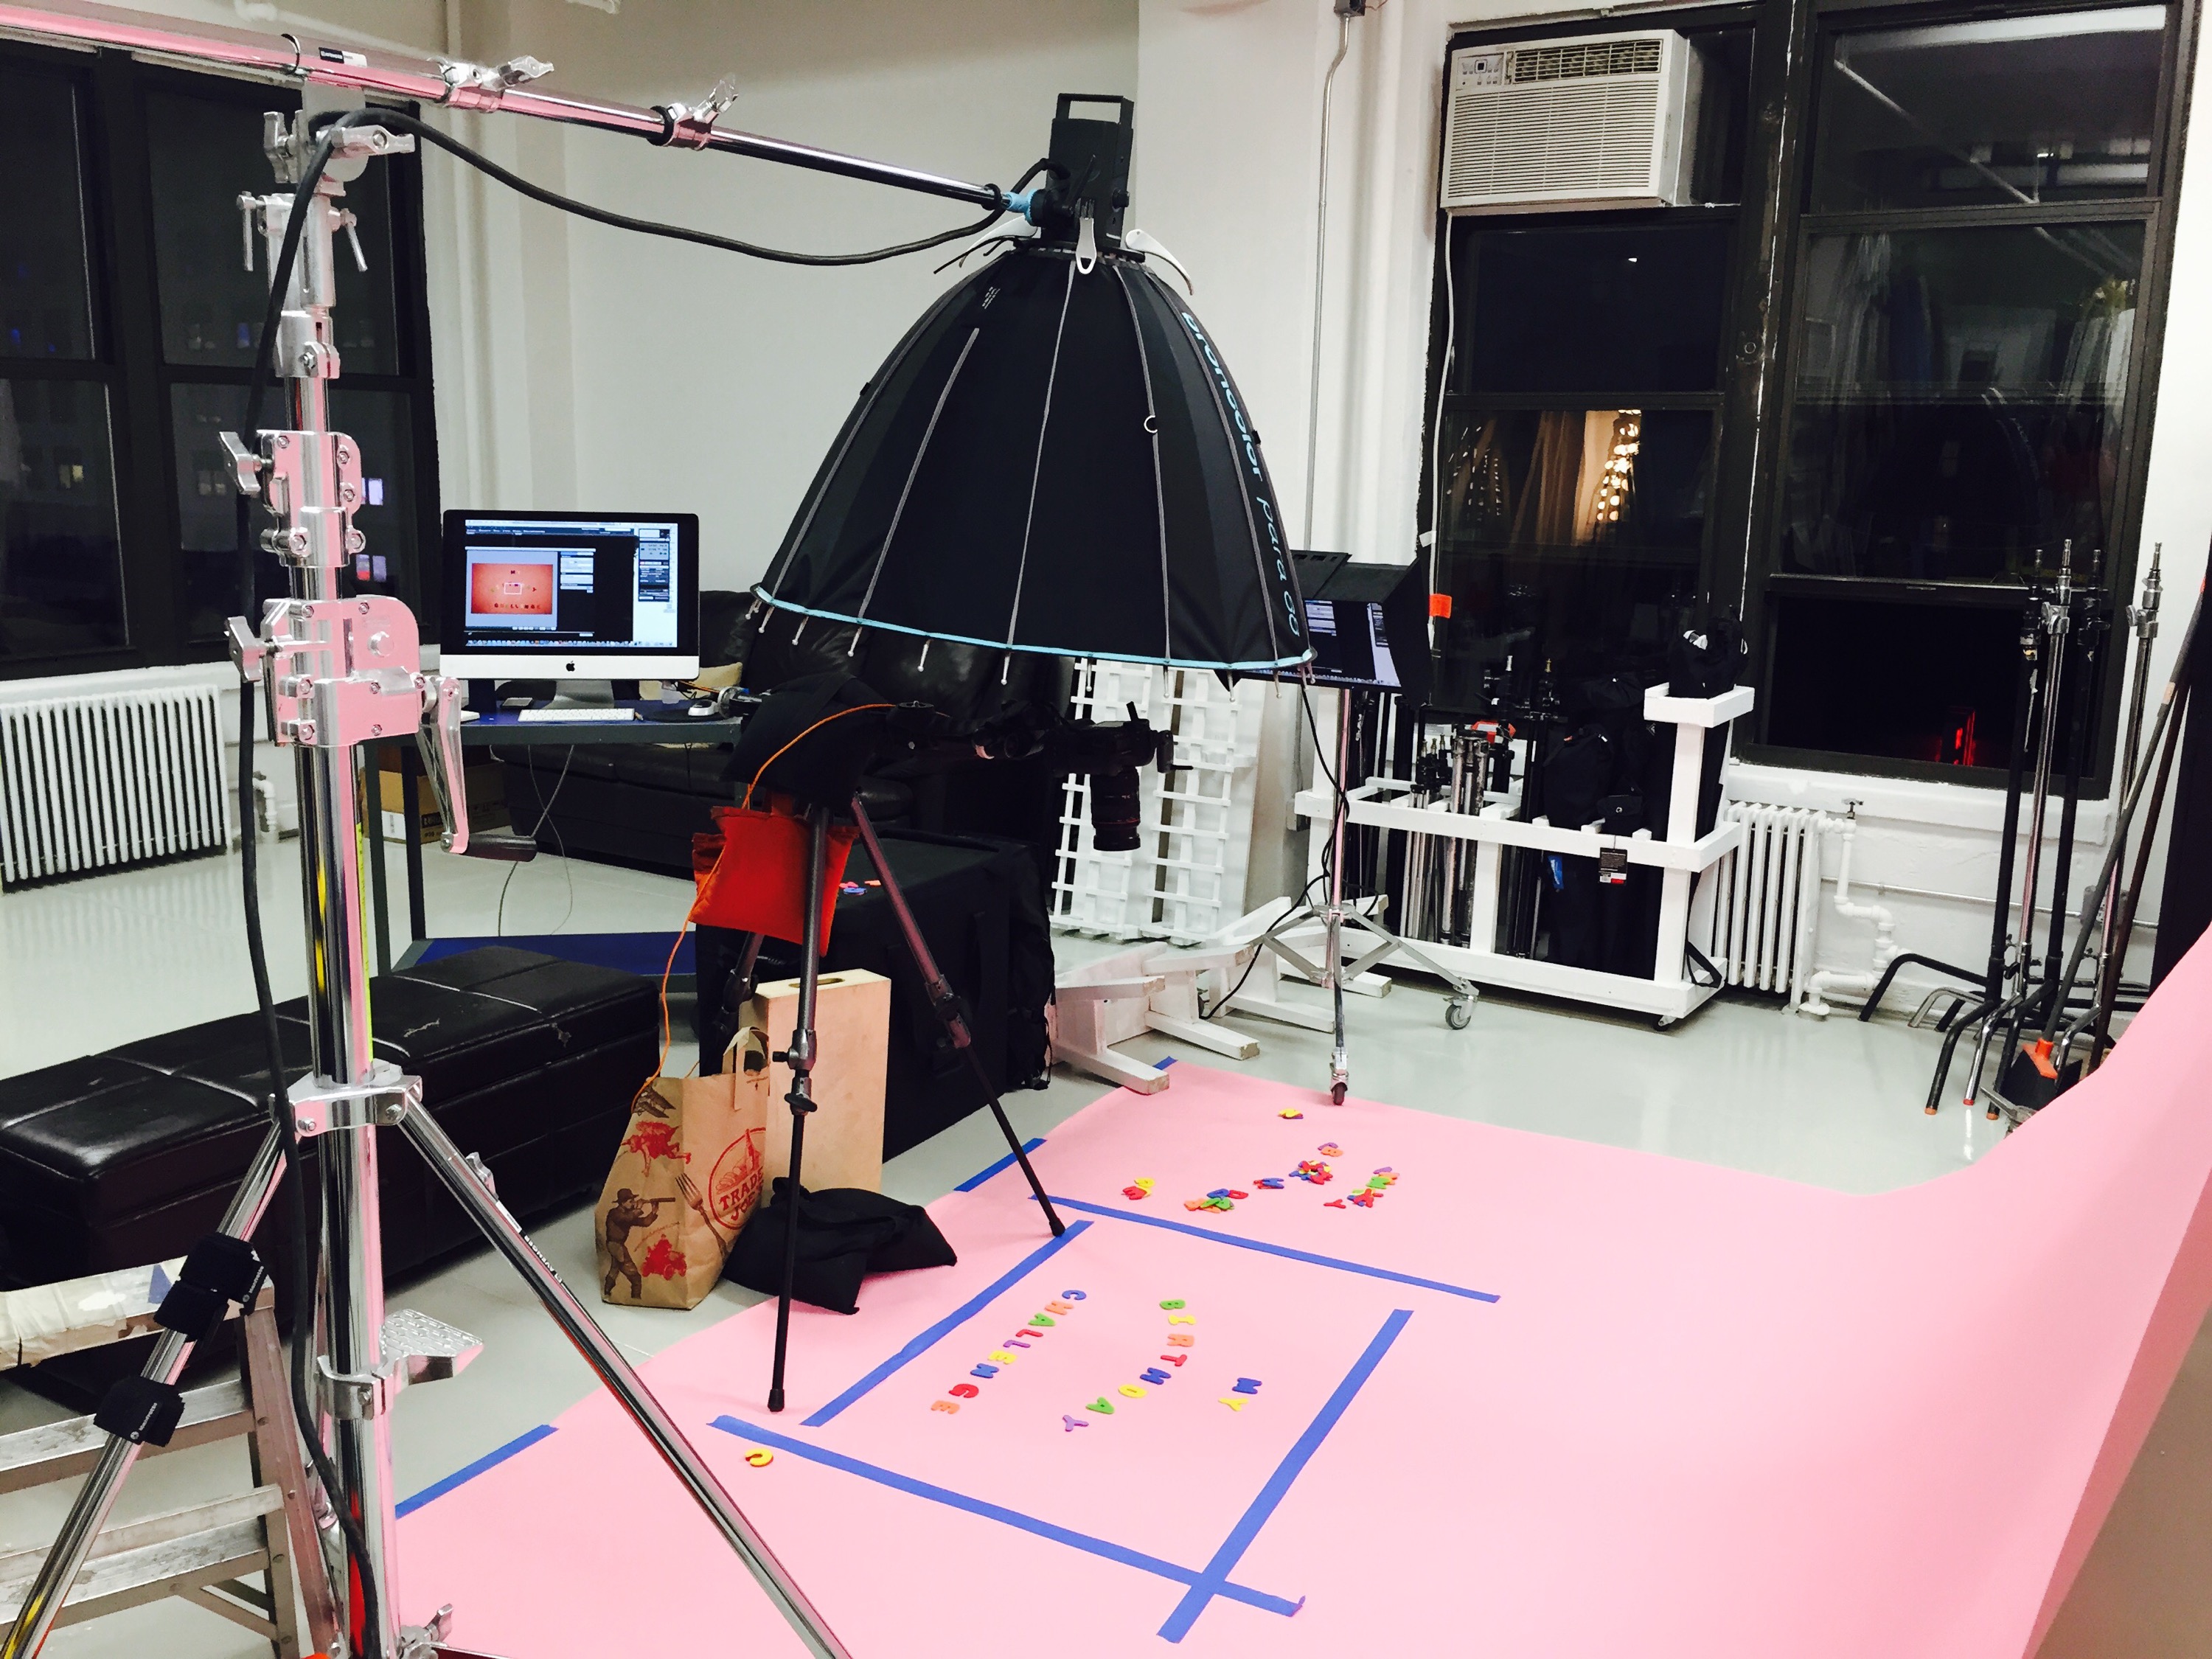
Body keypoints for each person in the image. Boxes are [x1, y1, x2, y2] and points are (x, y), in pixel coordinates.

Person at [601, 1188, 675, 1298]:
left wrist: (653, 1212)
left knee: (614, 1270)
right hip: (616, 1246)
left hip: (616, 1246)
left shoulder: (628, 1214)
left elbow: (644, 1222)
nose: (633, 1203)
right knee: (635, 1278)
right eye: (631, 1201)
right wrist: (639, 1208)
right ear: (622, 1203)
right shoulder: (615, 1213)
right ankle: (635, 1299)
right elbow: (626, 1219)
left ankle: (607, 1292)